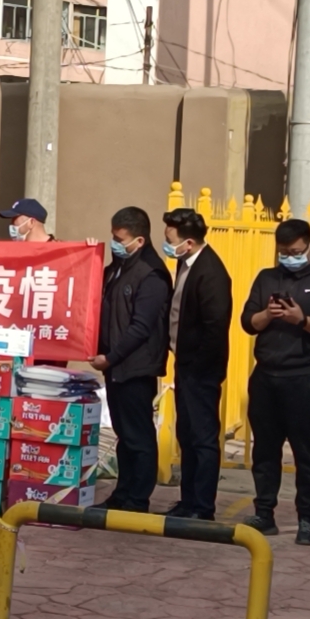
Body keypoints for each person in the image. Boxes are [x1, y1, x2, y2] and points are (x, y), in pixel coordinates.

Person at [237, 219, 310, 544]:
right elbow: (247, 322)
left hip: (304, 378)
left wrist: (303, 320)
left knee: (306, 453)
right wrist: (267, 315)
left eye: (296, 251)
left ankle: (306, 520)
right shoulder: (266, 278)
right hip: (266, 377)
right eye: (284, 252)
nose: (290, 257)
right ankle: (264, 512)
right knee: (265, 450)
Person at [88, 207, 171, 514]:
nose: (115, 243)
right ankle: (122, 495)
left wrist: (111, 357)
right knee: (124, 435)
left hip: (136, 367)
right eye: (113, 237)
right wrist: (90, 257)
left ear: (139, 240)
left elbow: (140, 327)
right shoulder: (118, 268)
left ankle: (138, 499)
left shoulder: (151, 274)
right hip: (116, 367)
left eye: (120, 239)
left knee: (139, 437)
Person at [158, 208, 230, 521]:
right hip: (185, 364)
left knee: (202, 438)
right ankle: (187, 501)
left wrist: (198, 366)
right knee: (186, 435)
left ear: (188, 242)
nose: (167, 243)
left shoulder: (210, 273)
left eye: (170, 238)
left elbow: (215, 327)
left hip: (201, 370)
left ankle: (202, 506)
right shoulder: (186, 263)